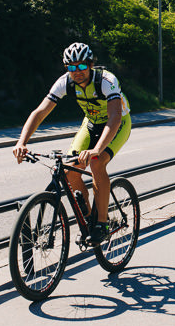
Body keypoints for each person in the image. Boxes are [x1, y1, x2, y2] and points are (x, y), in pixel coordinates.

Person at [12, 42, 132, 245]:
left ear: (90, 64)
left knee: (96, 162)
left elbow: (114, 118)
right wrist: (21, 142)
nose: (76, 72)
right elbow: (40, 113)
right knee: (69, 171)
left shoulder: (106, 80)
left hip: (118, 123)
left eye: (81, 66)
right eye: (71, 67)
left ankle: (102, 223)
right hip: (92, 123)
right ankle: (87, 217)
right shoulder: (64, 82)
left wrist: (96, 149)